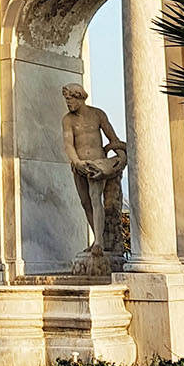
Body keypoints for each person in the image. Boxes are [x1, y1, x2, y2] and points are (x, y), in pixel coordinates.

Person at [61, 83, 127, 262]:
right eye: (66, 100)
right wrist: (76, 162)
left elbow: (113, 139)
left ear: (80, 97)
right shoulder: (68, 119)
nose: (68, 103)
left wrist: (120, 157)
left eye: (70, 99)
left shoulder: (97, 114)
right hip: (79, 165)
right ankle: (98, 237)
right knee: (86, 203)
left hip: (97, 164)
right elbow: (68, 144)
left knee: (95, 198)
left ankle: (99, 241)